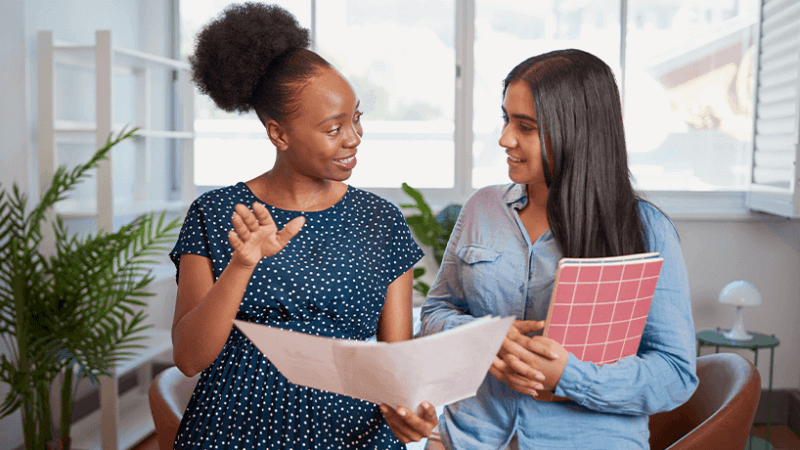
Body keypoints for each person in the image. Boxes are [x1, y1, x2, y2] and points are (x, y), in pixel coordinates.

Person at [169, 3, 437, 448]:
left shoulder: (382, 222)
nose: (353, 137)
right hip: (234, 433)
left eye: (356, 118)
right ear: (279, 134)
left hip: (354, 435)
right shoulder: (216, 213)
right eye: (333, 128)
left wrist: (410, 414)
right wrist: (243, 263)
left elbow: (396, 368)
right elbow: (190, 358)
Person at [419, 49, 698, 450]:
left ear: (577, 130)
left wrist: (569, 377)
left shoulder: (644, 229)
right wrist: (484, 337)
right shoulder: (482, 208)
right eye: (505, 118)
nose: (505, 139)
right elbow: (434, 313)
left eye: (526, 127)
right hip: (469, 439)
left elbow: (675, 373)